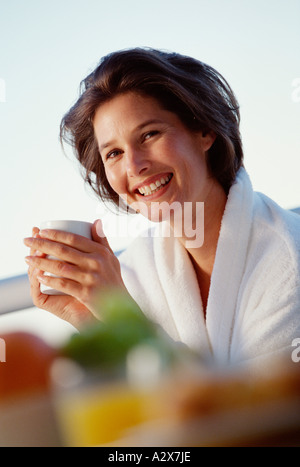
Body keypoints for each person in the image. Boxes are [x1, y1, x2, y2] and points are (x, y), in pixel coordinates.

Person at [24, 48, 300, 369]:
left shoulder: (288, 261)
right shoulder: (136, 270)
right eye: (113, 153)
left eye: (150, 134)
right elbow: (140, 404)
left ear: (204, 131)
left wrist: (121, 311)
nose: (134, 165)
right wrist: (93, 319)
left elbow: (248, 411)